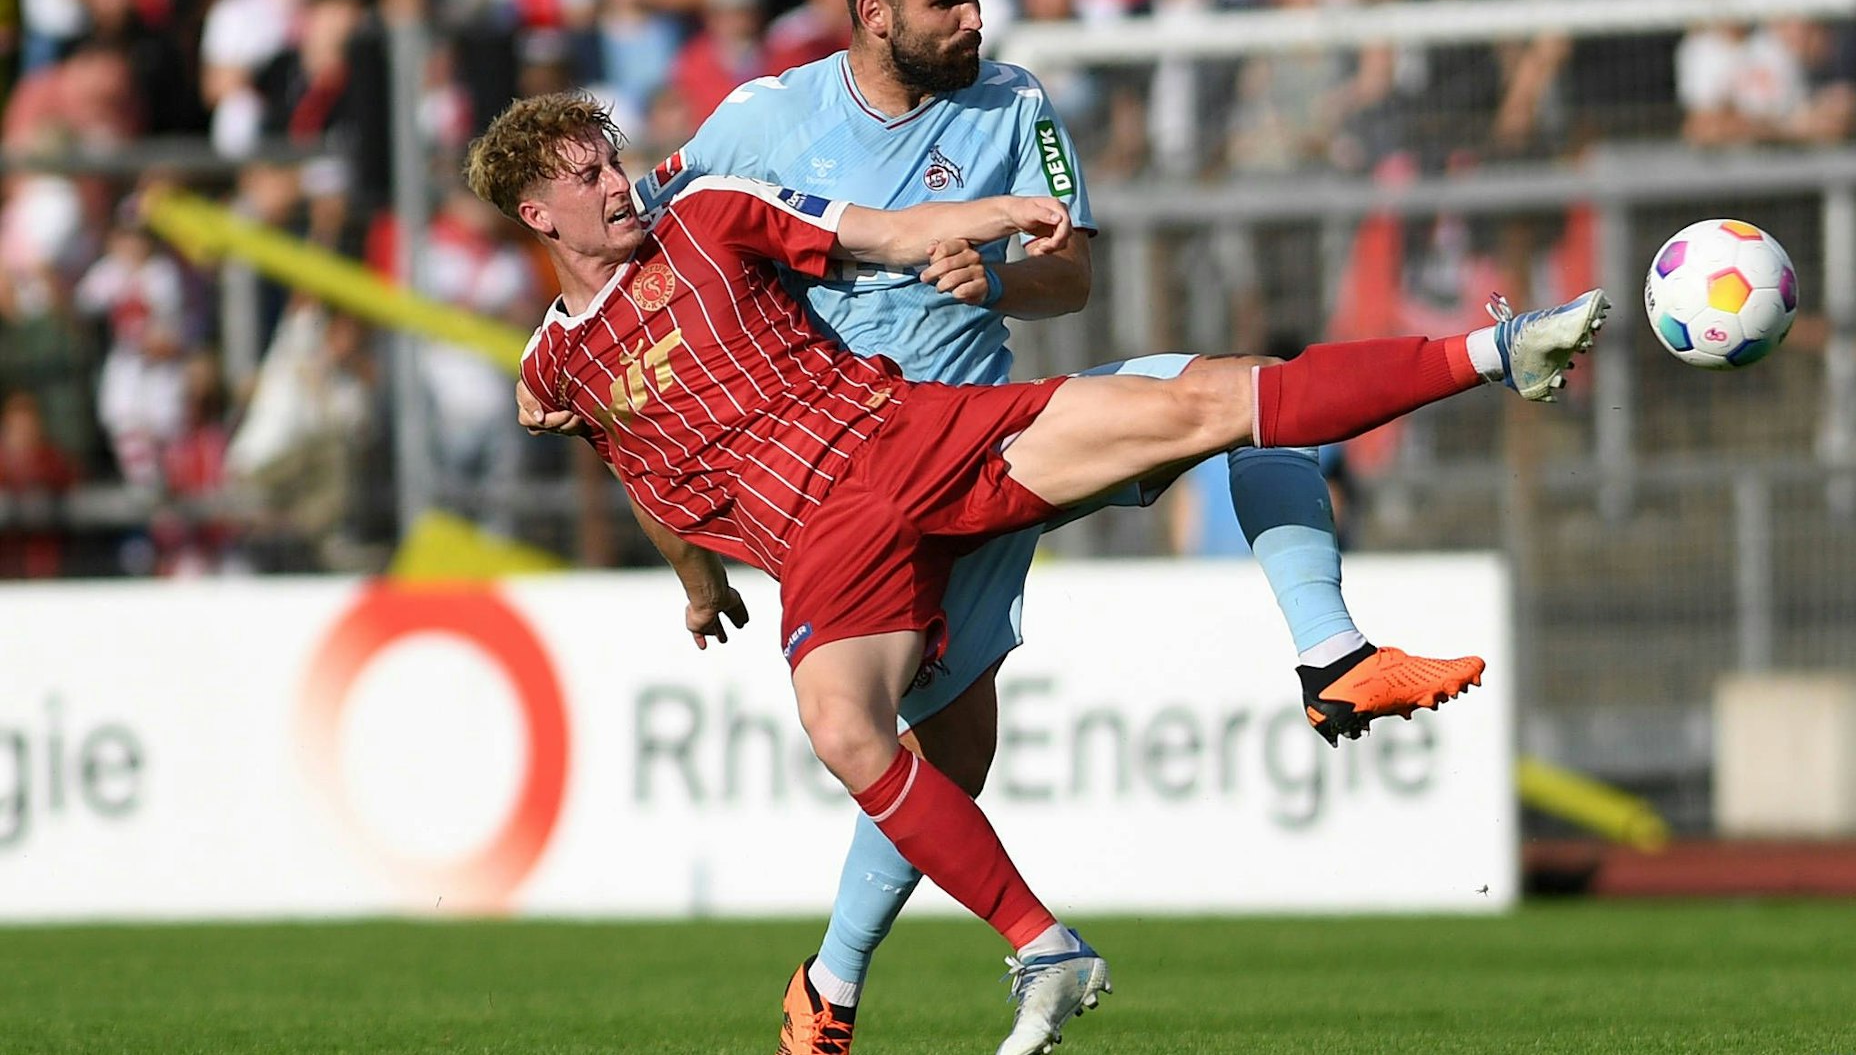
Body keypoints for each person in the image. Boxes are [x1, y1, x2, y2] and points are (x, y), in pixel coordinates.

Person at [472, 91, 1608, 1054]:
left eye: (616, 159)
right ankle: (1032, 949)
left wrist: (992, 215)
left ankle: (1495, 351)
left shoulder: (712, 213)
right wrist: (696, 584)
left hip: (907, 434)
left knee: (1202, 400)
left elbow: (876, 230)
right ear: (538, 213)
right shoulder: (555, 366)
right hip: (823, 548)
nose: (620, 182)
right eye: (590, 174)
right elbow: (628, 459)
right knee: (867, 734)